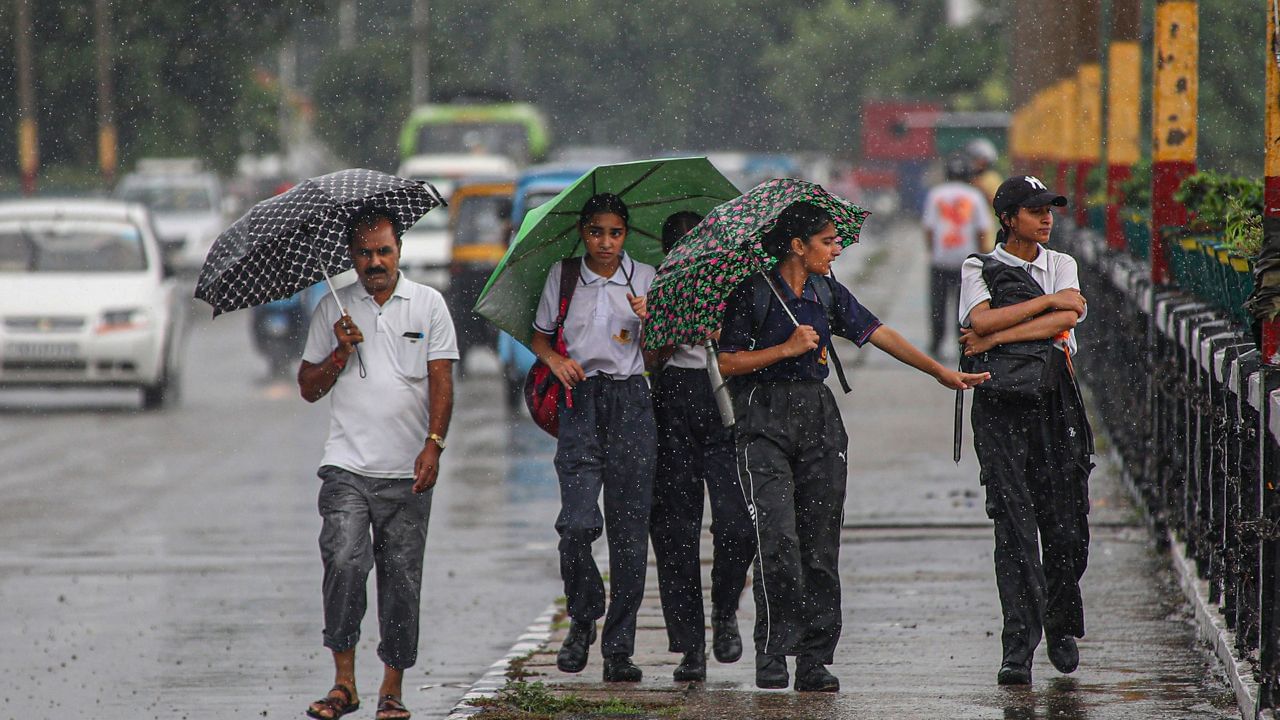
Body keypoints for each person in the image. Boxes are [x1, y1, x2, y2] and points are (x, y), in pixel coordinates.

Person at [717, 201, 988, 692]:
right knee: (778, 540)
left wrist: (940, 372)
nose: (837, 248)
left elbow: (878, 332)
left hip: (819, 420)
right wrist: (784, 349)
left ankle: (815, 659)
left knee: (820, 544)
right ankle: (774, 648)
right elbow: (729, 363)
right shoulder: (752, 293)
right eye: (827, 241)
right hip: (763, 421)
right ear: (798, 246)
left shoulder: (826, 291)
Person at [297, 206, 458, 720]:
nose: (375, 261)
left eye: (383, 250)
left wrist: (433, 443)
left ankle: (392, 689)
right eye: (365, 253)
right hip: (346, 468)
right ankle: (344, 684)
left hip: (407, 473)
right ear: (352, 255)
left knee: (402, 579)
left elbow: (442, 380)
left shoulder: (429, 305)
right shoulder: (332, 309)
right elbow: (307, 388)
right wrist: (338, 354)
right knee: (343, 563)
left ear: (399, 251)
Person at [957, 175, 1094, 686]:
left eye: (1050, 210)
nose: (1046, 219)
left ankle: (1061, 621)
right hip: (1001, 406)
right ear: (1008, 218)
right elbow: (978, 319)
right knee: (1014, 528)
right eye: (1035, 211)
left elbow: (1069, 313)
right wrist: (1046, 307)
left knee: (1068, 525)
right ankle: (1019, 645)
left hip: (1056, 403)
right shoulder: (979, 266)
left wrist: (1005, 324)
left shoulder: (1062, 264)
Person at [530, 193, 657, 683]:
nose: (606, 242)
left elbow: (662, 355)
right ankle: (583, 617)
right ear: (582, 232)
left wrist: (655, 321)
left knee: (629, 534)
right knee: (577, 524)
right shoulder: (563, 277)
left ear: (627, 234)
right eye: (596, 232)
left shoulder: (645, 278)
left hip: (632, 405)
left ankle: (619, 648)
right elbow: (541, 335)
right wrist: (553, 360)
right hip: (579, 404)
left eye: (615, 232)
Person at [645, 211, 755, 682]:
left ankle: (725, 610)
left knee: (736, 524)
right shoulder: (658, 289)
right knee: (674, 532)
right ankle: (689, 644)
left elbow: (752, 348)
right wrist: (665, 333)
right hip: (672, 404)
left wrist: (721, 336)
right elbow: (646, 360)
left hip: (724, 407)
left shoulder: (736, 286)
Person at [921, 154, 994, 357]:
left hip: (941, 258)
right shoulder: (974, 195)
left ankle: (936, 343)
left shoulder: (936, 194)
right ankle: (963, 344)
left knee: (938, 304)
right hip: (966, 260)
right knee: (964, 306)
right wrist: (982, 257)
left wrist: (931, 250)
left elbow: (929, 228)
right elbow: (981, 229)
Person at [966, 137, 1004, 247]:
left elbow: (998, 203)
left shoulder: (992, 178)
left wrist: (980, 189)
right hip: (966, 236)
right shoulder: (967, 179)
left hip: (986, 236)